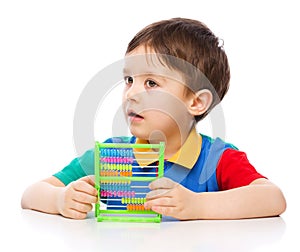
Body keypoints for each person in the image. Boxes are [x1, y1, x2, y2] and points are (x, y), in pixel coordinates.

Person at [21, 17, 286, 220]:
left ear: (195, 102)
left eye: (151, 83)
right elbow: (31, 193)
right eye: (129, 80)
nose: (131, 93)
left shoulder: (218, 159)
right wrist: (60, 199)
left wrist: (197, 205)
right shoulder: (111, 155)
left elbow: (273, 198)